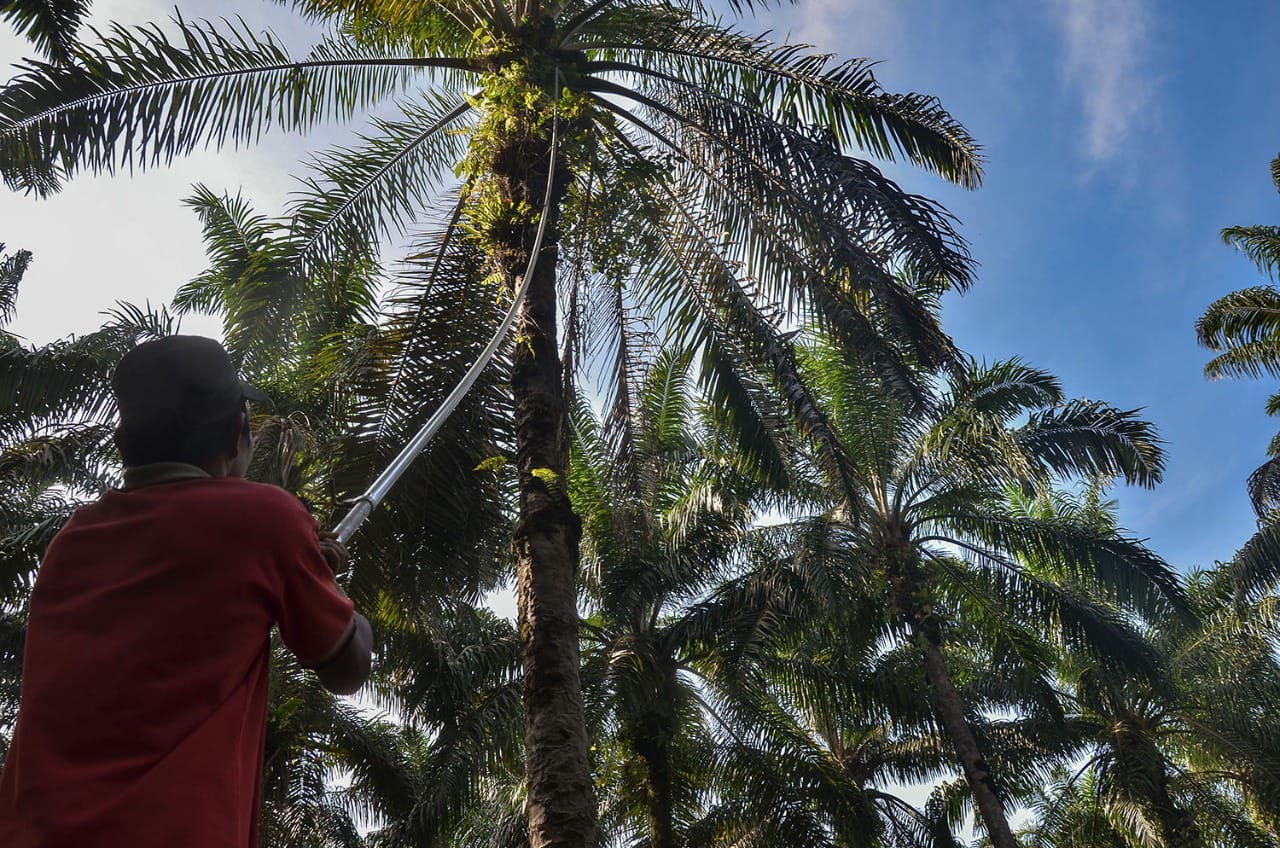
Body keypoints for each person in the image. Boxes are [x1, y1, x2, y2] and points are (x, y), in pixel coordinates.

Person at [0, 335, 373, 847]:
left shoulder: (73, 540)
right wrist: (326, 585)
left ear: (123, 443)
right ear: (236, 435)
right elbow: (346, 668)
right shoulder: (268, 518)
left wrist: (299, 559)